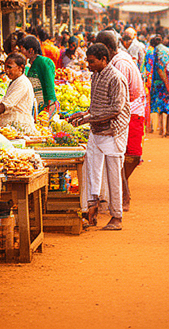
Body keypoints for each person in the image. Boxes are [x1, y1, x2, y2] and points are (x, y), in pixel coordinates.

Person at [68, 42, 128, 230]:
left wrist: (88, 118)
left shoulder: (116, 78)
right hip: (96, 130)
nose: (89, 65)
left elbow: (115, 109)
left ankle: (116, 217)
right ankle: (92, 210)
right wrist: (84, 115)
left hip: (112, 131)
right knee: (92, 171)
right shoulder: (96, 76)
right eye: (88, 61)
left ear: (103, 59)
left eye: (92, 61)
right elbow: (96, 106)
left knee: (113, 176)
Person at [96, 30, 146, 211]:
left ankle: (123, 195)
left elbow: (119, 99)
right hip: (128, 112)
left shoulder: (120, 65)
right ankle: (122, 192)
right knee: (122, 157)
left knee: (128, 156)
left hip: (130, 112)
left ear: (108, 49)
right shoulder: (119, 59)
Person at [0, 54, 36, 136]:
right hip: (13, 128)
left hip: (19, 129)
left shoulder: (22, 83)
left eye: (9, 67)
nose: (6, 70)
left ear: (20, 68)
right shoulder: (15, 81)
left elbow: (3, 107)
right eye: (5, 67)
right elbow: (2, 102)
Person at [146, 35, 169, 138]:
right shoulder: (168, 51)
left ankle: (161, 130)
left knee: (160, 108)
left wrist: (166, 84)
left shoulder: (155, 52)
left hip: (160, 83)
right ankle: (168, 130)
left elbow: (160, 70)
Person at [19, 35, 58, 121]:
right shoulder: (30, 64)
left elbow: (49, 83)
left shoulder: (42, 62)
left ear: (31, 51)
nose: (21, 53)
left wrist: (50, 104)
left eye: (22, 50)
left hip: (45, 105)